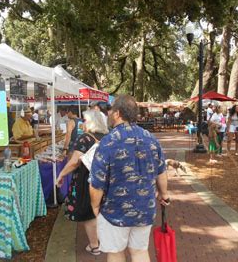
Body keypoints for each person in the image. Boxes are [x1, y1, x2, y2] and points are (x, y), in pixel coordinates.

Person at [89, 94, 169, 262]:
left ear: (117, 113)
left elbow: (97, 183)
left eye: (111, 111)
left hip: (114, 211)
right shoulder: (151, 139)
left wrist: (95, 206)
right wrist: (164, 194)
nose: (109, 114)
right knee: (139, 251)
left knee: (116, 253)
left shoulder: (107, 142)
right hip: (145, 208)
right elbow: (161, 171)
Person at [56, 109, 108, 256]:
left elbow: (74, 162)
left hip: (87, 180)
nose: (82, 123)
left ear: (91, 122)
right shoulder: (108, 136)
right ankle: (102, 241)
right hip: (105, 179)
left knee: (89, 213)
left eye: (84, 120)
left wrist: (61, 175)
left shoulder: (85, 138)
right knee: (100, 211)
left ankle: (94, 245)